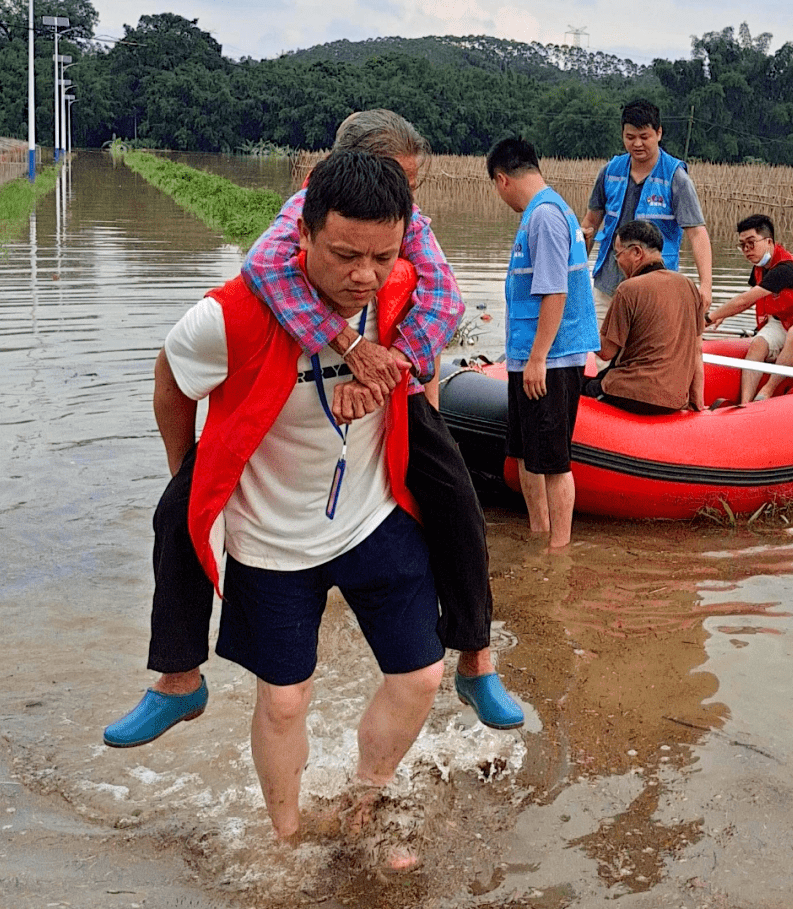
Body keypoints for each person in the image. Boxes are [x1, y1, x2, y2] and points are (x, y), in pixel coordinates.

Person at [104, 111, 522, 752]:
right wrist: (349, 345)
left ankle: (476, 661)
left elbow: (444, 302)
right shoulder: (295, 227)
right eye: (393, 183)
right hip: (282, 390)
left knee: (458, 501)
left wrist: (390, 367)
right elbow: (265, 277)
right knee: (179, 511)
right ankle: (178, 679)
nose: (403, 203)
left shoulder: (412, 227)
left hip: (397, 384)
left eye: (410, 190)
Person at [149, 150, 443, 856]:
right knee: (284, 699)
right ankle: (285, 837)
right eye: (344, 255)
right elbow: (169, 379)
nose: (363, 276)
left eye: (381, 256)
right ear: (301, 236)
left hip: (371, 517)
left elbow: (426, 376)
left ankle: (363, 798)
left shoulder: (407, 301)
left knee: (420, 675)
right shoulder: (228, 318)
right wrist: (187, 472)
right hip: (272, 535)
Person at [487, 136, 600, 549]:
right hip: (527, 357)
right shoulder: (540, 214)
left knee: (552, 461)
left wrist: (538, 358)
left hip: (549, 359)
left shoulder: (546, 216)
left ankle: (559, 550)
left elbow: (555, 290)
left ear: (502, 180)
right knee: (524, 455)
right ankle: (539, 534)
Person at [581, 99, 712, 322]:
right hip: (608, 282)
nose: (637, 144)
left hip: (656, 287)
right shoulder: (610, 171)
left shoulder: (675, 177)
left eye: (644, 137)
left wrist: (706, 286)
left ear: (658, 133)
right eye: (630, 137)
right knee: (603, 351)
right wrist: (574, 271)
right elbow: (590, 223)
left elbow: (697, 233)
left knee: (648, 352)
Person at [706, 213, 793, 404]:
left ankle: (768, 390)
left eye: (751, 243)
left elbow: (744, 300)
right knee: (758, 344)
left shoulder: (786, 269)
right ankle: (745, 402)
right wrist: (723, 315)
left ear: (769, 241)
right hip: (783, 322)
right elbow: (753, 297)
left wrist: (710, 317)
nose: (746, 250)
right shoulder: (760, 267)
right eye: (742, 245)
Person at [583, 220, 705, 415]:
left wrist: (580, 327)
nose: (617, 261)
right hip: (674, 399)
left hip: (633, 393)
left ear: (637, 252)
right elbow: (697, 350)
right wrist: (697, 404)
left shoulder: (628, 289)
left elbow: (606, 352)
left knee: (576, 387)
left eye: (618, 254)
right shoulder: (689, 286)